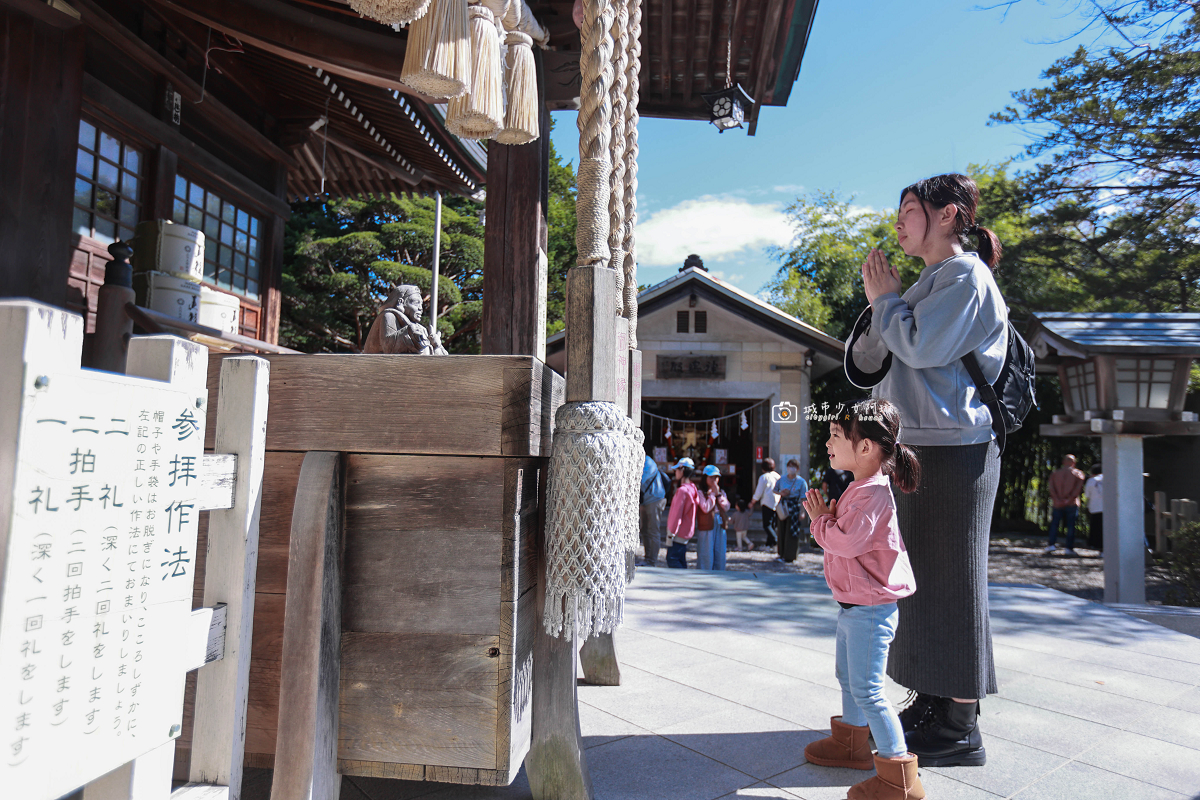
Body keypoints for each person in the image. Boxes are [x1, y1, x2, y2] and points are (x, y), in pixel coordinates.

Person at [846, 173, 1008, 767]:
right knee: (921, 579)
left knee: (956, 580)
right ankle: (933, 702)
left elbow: (917, 348)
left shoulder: (967, 276)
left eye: (910, 208)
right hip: (921, 446)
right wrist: (883, 302)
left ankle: (961, 725)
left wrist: (887, 302)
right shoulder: (927, 283)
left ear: (948, 216)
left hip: (957, 448)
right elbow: (875, 357)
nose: (899, 219)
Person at [802, 399, 923, 799]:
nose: (828, 443)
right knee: (849, 679)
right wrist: (833, 516)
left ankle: (899, 780)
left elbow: (845, 541)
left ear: (866, 447)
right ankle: (852, 745)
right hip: (857, 609)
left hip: (870, 612)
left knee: (869, 690)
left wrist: (821, 519)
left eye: (837, 435)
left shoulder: (871, 496)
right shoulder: (861, 489)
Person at [362, 284, 448, 355]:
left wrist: (436, 345)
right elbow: (388, 348)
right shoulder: (388, 316)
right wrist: (409, 332)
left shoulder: (421, 329)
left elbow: (441, 364)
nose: (420, 308)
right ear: (400, 302)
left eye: (421, 304)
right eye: (416, 303)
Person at [665, 458, 715, 569]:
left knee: (673, 560)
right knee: (680, 560)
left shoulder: (682, 491)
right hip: (686, 532)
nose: (675, 472)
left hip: (677, 533)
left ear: (682, 470)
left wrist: (671, 533)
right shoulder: (693, 489)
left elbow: (676, 514)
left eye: (677, 469)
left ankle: (680, 584)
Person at [1045, 454, 1086, 557]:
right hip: (1071, 503)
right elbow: (1078, 489)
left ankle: (1051, 544)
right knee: (1071, 526)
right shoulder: (1078, 474)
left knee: (1055, 524)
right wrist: (1069, 499)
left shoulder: (1055, 474)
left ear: (1063, 462)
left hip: (1057, 503)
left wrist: (1057, 499)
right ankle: (1068, 548)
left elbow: (1051, 488)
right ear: (1074, 462)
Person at [695, 465, 732, 570]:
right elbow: (705, 508)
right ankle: (705, 571)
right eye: (711, 477)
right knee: (706, 550)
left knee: (719, 550)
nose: (714, 480)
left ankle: (719, 571)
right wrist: (712, 495)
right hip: (707, 523)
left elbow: (727, 507)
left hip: (719, 523)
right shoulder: (700, 493)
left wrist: (718, 495)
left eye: (716, 477)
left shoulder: (721, 492)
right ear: (705, 478)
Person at [773, 458, 809, 563]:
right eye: (789, 466)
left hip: (794, 507)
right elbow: (774, 489)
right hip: (783, 505)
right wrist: (781, 493)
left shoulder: (801, 482)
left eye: (793, 467)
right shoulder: (782, 479)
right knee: (781, 529)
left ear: (797, 469)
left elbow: (803, 498)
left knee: (792, 531)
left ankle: (790, 556)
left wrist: (803, 512)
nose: (790, 469)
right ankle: (781, 553)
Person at [640, 454, 668, 566]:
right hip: (645, 500)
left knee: (653, 530)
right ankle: (647, 558)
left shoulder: (648, 462)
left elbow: (640, 480)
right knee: (644, 530)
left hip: (655, 499)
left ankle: (652, 560)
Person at [749, 457, 781, 550]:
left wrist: (753, 502)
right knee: (773, 524)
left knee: (767, 525)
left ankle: (775, 541)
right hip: (777, 502)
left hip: (767, 502)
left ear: (763, 468)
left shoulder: (764, 477)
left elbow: (758, 492)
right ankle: (769, 544)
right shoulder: (778, 476)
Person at [1084, 464, 1103, 552]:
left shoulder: (1091, 481)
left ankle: (1097, 546)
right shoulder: (1109, 478)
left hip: (1095, 507)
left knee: (1097, 528)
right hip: (1108, 508)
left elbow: (1087, 495)